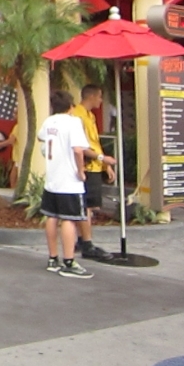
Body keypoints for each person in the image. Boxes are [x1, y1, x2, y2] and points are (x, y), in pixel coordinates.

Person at [38, 89, 94, 279]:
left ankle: (53, 258)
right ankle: (69, 261)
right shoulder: (73, 122)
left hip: (52, 178)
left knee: (51, 217)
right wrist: (81, 170)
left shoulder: (49, 122)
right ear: (70, 106)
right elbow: (78, 150)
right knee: (69, 219)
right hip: (69, 180)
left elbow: (41, 137)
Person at [71, 84, 118, 260]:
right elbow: (80, 146)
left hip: (96, 166)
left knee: (88, 206)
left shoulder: (90, 116)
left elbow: (94, 143)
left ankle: (82, 240)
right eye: (99, 97)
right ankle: (87, 244)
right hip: (87, 167)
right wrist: (101, 159)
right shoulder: (77, 116)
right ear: (91, 96)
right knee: (86, 206)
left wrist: (106, 165)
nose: (100, 100)